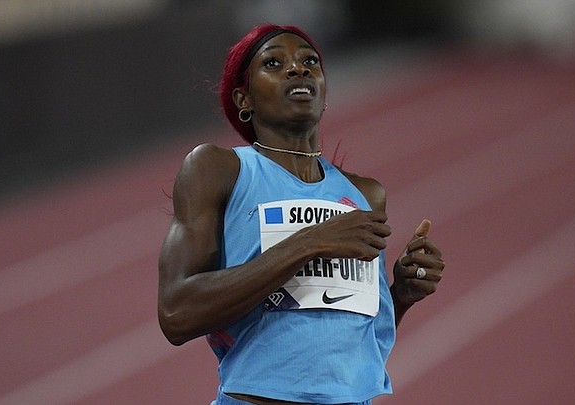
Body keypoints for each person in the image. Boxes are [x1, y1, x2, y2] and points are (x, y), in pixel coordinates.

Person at [157, 24, 445, 405]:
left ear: (324, 93)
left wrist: (400, 296)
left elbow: (348, 341)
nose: (298, 69)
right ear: (243, 99)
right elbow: (176, 313)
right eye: (274, 63)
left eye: (310, 61)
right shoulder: (218, 169)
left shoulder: (365, 194)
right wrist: (310, 242)